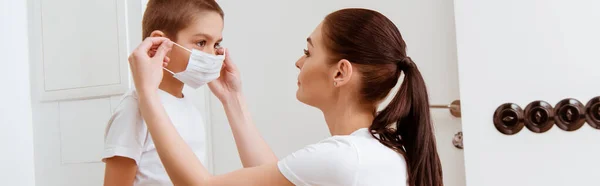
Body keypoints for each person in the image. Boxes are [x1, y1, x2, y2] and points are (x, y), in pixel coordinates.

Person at [128, 8, 443, 186]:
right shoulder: (381, 149)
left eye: (308, 51)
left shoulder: (345, 157)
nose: (299, 62)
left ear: (340, 73)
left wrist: (147, 94)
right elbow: (284, 176)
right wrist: (232, 100)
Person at [102, 0, 225, 185]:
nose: (212, 54)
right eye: (201, 42)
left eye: (216, 44)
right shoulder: (134, 107)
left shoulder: (190, 109)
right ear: (161, 42)